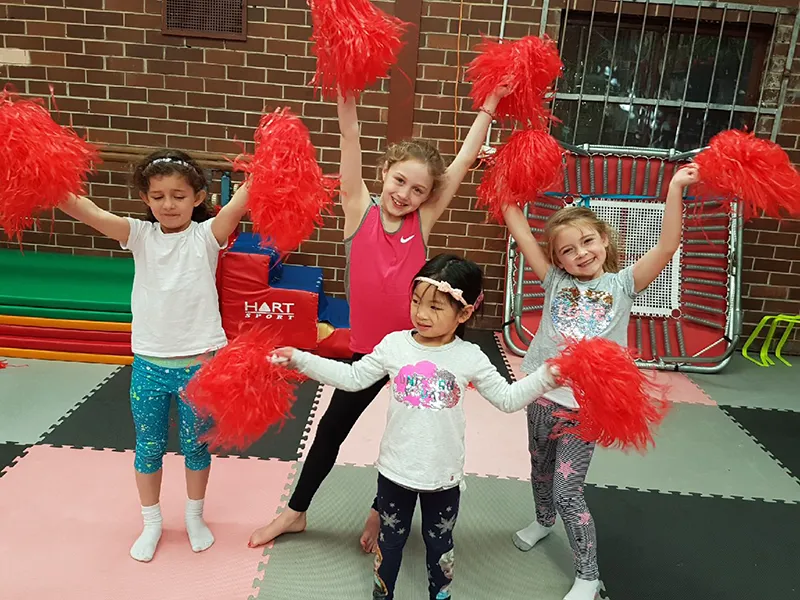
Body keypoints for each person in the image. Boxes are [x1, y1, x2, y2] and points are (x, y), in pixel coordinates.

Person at [249, 83, 509, 551]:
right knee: (330, 431)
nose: (405, 194)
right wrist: (344, 94)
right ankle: (295, 512)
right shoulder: (358, 210)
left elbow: (462, 163)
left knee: (405, 437)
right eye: (399, 181)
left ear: (428, 196)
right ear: (384, 172)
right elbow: (350, 138)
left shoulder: (420, 223)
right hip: (368, 353)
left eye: (418, 190)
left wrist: (488, 106)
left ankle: (380, 510)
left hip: (418, 353)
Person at [270, 255, 569, 600]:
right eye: (416, 302)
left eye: (435, 307)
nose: (422, 314)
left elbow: (507, 398)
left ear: (464, 313)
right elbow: (353, 378)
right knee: (389, 544)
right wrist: (301, 359)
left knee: (439, 547)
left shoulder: (469, 357)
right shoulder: (394, 345)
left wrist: (546, 377)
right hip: (394, 474)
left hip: (443, 478)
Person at [500, 165, 700, 600]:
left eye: (588, 241)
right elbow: (518, 225)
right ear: (558, 260)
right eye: (568, 250)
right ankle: (543, 521)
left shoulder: (623, 284)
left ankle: (588, 575)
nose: (581, 253)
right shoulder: (554, 280)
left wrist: (675, 188)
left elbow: (667, 246)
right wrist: (502, 172)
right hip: (541, 396)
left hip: (585, 410)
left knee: (567, 490)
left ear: (604, 240)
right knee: (539, 470)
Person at [58, 149, 250, 562]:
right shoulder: (139, 235)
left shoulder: (207, 236)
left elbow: (240, 204)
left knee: (196, 446)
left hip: (200, 367)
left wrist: (269, 169)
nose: (168, 204)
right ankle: (151, 522)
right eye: (158, 196)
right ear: (145, 198)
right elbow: (89, 212)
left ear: (198, 197)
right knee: (148, 447)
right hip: (149, 366)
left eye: (179, 196)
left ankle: (194, 516)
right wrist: (50, 187)